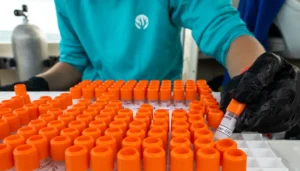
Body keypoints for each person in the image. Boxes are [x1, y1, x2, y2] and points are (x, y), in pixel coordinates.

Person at [1, 0, 300, 133]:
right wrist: (34, 84)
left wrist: (259, 72)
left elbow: (223, 28)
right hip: (96, 107)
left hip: (165, 108)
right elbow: (74, 61)